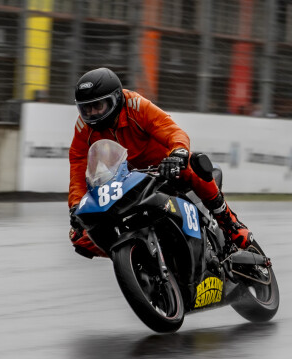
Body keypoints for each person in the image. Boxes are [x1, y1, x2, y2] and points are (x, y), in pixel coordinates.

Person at [67, 67, 252, 259]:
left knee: (192, 164)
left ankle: (229, 222)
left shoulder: (136, 105)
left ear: (116, 99)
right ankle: (137, 257)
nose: (92, 114)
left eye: (98, 106)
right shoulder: (83, 128)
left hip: (165, 166)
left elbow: (171, 130)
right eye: (86, 108)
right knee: (79, 236)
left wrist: (178, 152)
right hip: (127, 180)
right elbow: (78, 169)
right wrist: (76, 206)